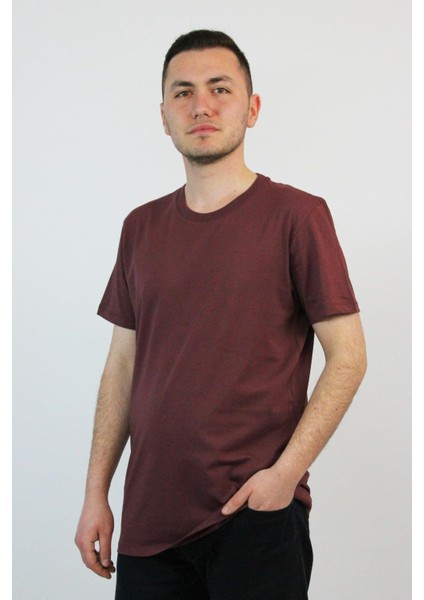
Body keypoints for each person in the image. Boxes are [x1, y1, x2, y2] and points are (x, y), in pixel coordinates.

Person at [75, 29, 367, 600]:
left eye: (220, 88)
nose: (201, 105)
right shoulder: (140, 228)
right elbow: (121, 368)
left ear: (252, 108)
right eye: (182, 92)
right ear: (164, 116)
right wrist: (94, 495)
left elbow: (349, 357)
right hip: (148, 526)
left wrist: (284, 477)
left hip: (252, 518)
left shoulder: (297, 216)